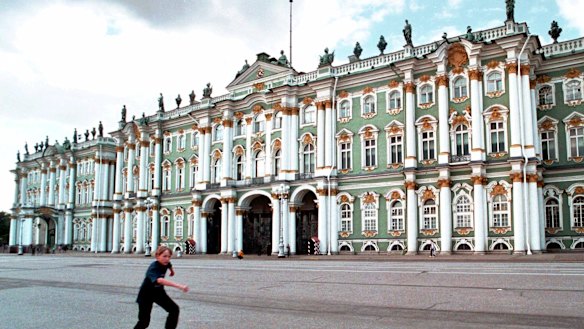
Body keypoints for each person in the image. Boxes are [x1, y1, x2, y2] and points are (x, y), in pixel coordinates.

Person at [134, 246, 189, 329]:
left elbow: (169, 265)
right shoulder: (153, 267)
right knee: (144, 322)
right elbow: (160, 280)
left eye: (169, 257)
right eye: (164, 256)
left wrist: (172, 271)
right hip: (146, 295)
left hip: (158, 292)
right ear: (157, 256)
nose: (167, 259)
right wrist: (179, 286)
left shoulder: (166, 263)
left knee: (174, 309)